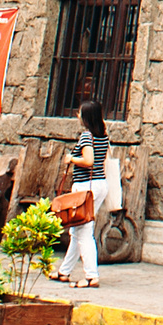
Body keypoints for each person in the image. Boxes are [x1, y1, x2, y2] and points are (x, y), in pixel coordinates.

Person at [52, 100, 107, 290]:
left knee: (84, 232)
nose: (77, 115)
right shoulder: (103, 136)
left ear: (86, 117)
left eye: (80, 113)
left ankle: (91, 276)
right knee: (77, 231)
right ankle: (64, 272)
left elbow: (89, 161)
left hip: (85, 188)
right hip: (99, 185)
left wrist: (71, 158)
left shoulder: (86, 136)